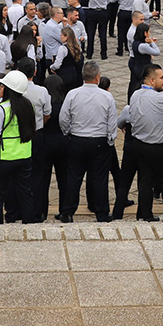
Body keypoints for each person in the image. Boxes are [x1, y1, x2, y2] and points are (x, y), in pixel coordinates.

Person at [58, 61, 117, 222]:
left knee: (73, 177)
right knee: (99, 178)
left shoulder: (73, 94)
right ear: (98, 77)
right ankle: (102, 213)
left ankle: (67, 211)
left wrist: (68, 132)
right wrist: (110, 139)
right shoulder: (106, 96)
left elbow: (63, 118)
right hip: (99, 140)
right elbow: (112, 122)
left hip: (77, 138)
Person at [126, 63, 163, 221]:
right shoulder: (162, 97)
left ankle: (146, 215)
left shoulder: (135, 95)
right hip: (160, 147)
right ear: (151, 80)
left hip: (140, 145)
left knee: (145, 181)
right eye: (162, 78)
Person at [0, 71, 38, 224]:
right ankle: (29, 223)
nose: (0, 88)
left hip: (5, 157)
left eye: (3, 86)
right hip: (24, 155)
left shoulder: (1, 109)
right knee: (25, 193)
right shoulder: (29, 105)